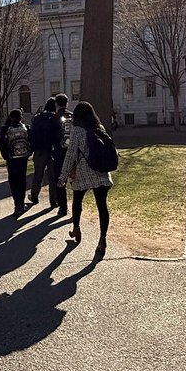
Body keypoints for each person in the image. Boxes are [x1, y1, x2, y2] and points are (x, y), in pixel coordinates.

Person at [58, 100, 113, 259]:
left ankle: (76, 228)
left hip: (83, 173)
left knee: (77, 201)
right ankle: (102, 239)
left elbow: (70, 155)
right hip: (102, 172)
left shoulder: (76, 131)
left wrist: (62, 177)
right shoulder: (99, 128)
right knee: (102, 206)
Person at [0, 109, 32, 217]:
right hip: (23, 158)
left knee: (13, 181)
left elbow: (2, 144)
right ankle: (21, 204)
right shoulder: (26, 127)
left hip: (11, 159)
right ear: (21, 117)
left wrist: (5, 156)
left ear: (10, 117)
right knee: (22, 181)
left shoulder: (5, 129)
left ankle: (17, 203)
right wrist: (28, 153)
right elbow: (31, 141)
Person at [28, 97, 60, 207]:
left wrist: (32, 148)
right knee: (52, 176)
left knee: (38, 174)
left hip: (39, 150)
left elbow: (32, 134)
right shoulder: (55, 118)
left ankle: (34, 196)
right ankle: (53, 200)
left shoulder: (37, 118)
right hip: (52, 150)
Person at [51, 94, 74, 216]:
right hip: (73, 152)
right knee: (75, 181)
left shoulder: (54, 118)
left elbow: (51, 137)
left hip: (59, 153)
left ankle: (63, 208)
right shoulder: (73, 116)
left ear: (56, 104)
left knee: (60, 181)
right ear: (67, 103)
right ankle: (76, 208)